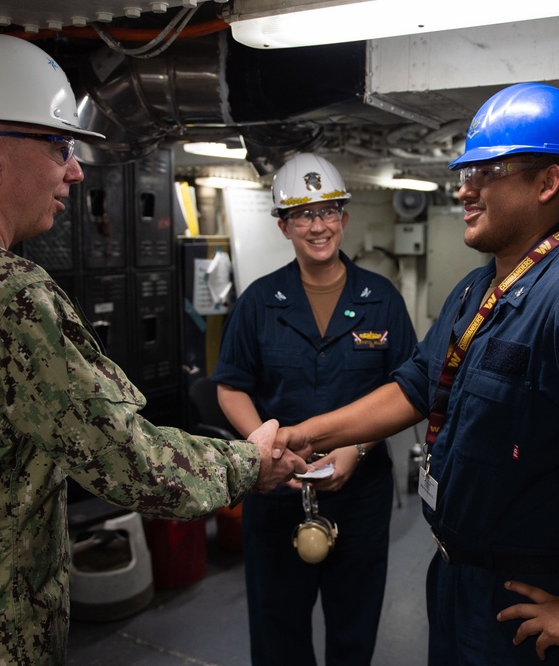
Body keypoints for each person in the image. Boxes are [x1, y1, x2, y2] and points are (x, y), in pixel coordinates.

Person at [0, 33, 308, 665]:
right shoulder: (4, 294)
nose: (75, 169)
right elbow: (132, 462)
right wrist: (247, 462)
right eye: (59, 146)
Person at [272, 82, 559, 665]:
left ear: (549, 182)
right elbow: (418, 385)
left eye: (486, 171)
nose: (464, 188)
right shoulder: (482, 285)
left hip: (530, 596)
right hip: (458, 577)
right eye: (466, 171)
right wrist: (307, 435)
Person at [212, 153, 418, 665]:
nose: (318, 225)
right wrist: (267, 448)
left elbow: (411, 391)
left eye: (328, 212)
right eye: (302, 214)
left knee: (355, 626)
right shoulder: (259, 302)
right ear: (283, 225)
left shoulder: (383, 299)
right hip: (278, 492)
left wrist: (357, 445)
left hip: (361, 493)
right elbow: (231, 386)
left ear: (344, 219)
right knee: (278, 630)